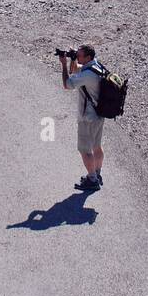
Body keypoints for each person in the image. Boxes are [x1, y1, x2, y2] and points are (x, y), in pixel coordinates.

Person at [59, 45, 106, 191]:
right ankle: (97, 174)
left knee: (85, 150)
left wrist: (63, 64)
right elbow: (76, 69)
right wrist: (73, 59)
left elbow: (68, 84)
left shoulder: (87, 75)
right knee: (96, 146)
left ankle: (92, 180)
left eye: (79, 56)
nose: (77, 57)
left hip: (88, 118)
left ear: (87, 57)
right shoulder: (96, 66)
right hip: (99, 115)